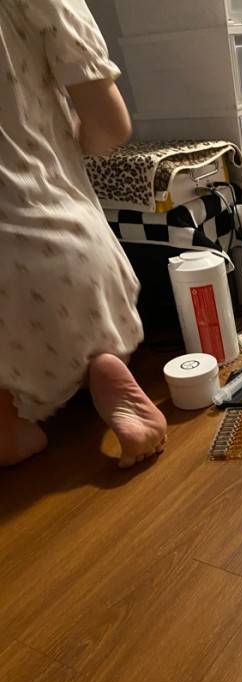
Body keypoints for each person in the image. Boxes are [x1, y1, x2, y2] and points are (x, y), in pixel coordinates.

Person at [0, 0, 167, 468]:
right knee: (96, 334)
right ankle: (103, 367)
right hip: (58, 241)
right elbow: (110, 126)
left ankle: (8, 427)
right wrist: (77, 142)